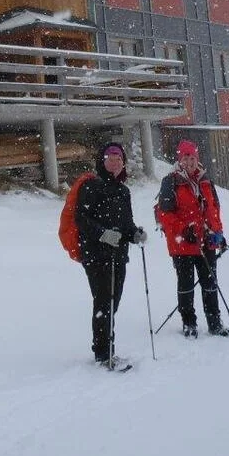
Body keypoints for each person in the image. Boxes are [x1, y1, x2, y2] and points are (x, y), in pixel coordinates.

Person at [74, 141, 147, 367]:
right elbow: (81, 219)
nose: (114, 161)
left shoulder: (123, 191)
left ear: (123, 163)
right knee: (104, 301)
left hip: (118, 255)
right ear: (102, 161)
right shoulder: (92, 186)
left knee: (113, 302)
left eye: (118, 157)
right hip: (96, 255)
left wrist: (135, 234)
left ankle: (105, 349)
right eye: (109, 157)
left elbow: (126, 224)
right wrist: (103, 234)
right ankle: (103, 353)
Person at [156, 139, 229, 338]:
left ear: (197, 158)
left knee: (210, 283)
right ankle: (189, 323)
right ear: (179, 160)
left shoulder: (205, 180)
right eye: (185, 157)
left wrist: (218, 232)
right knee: (186, 285)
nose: (189, 161)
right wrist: (184, 230)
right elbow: (165, 214)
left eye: (192, 157)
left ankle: (215, 323)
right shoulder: (170, 181)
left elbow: (214, 210)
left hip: (206, 241)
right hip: (182, 244)